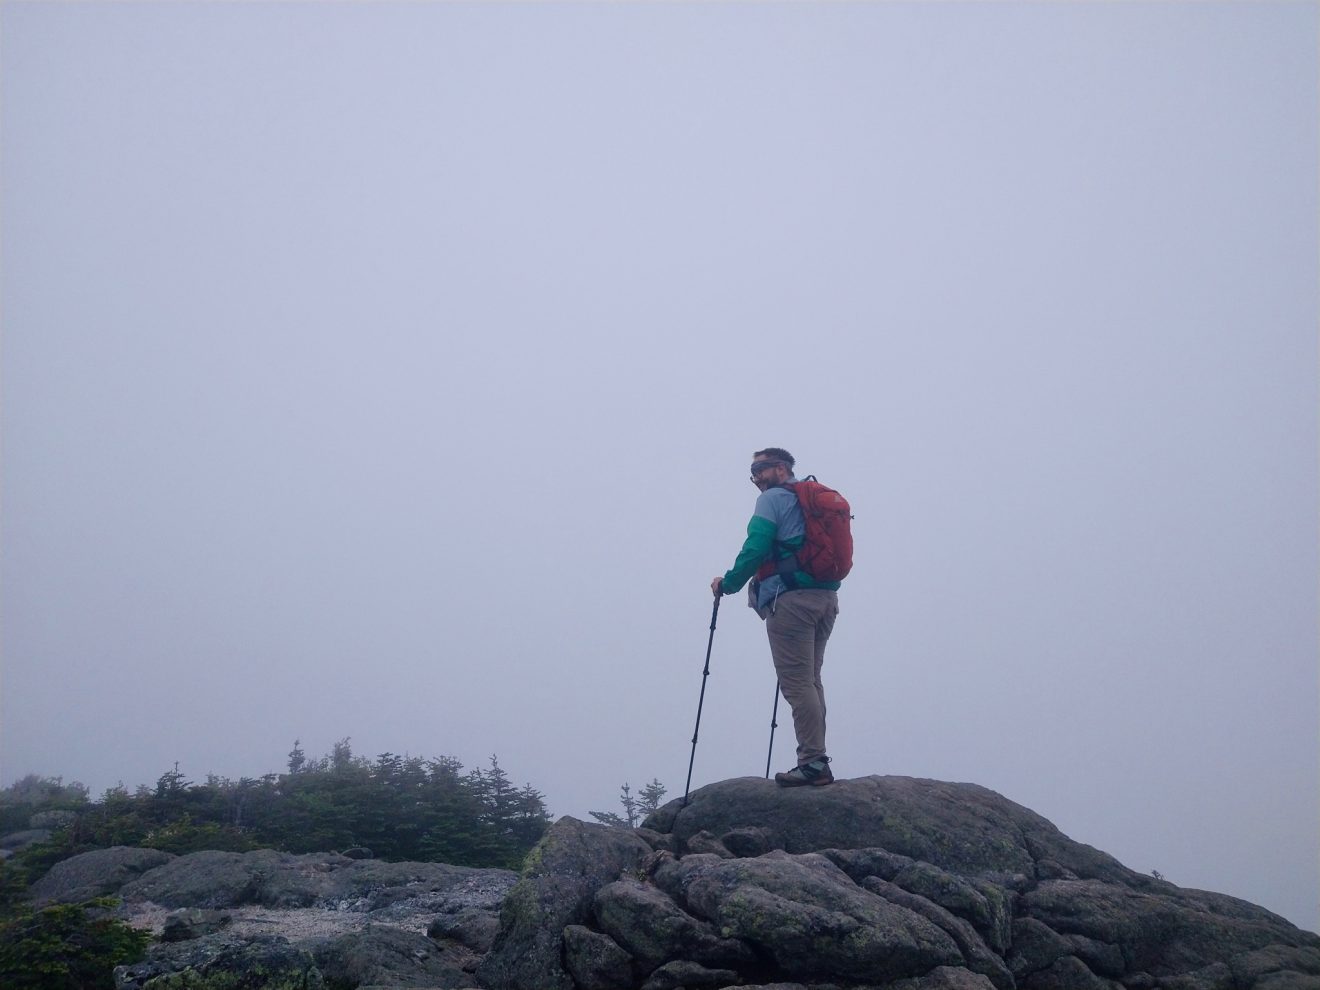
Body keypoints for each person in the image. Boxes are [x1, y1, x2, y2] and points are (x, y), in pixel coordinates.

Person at [711, 448, 842, 787]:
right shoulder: (807, 499)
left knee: (798, 683)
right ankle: (816, 758)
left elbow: (755, 546)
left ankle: (813, 762)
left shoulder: (772, 500)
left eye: (760, 469)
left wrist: (727, 584)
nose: (755, 478)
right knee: (811, 679)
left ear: (780, 469)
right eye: (752, 472)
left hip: (792, 602)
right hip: (826, 598)